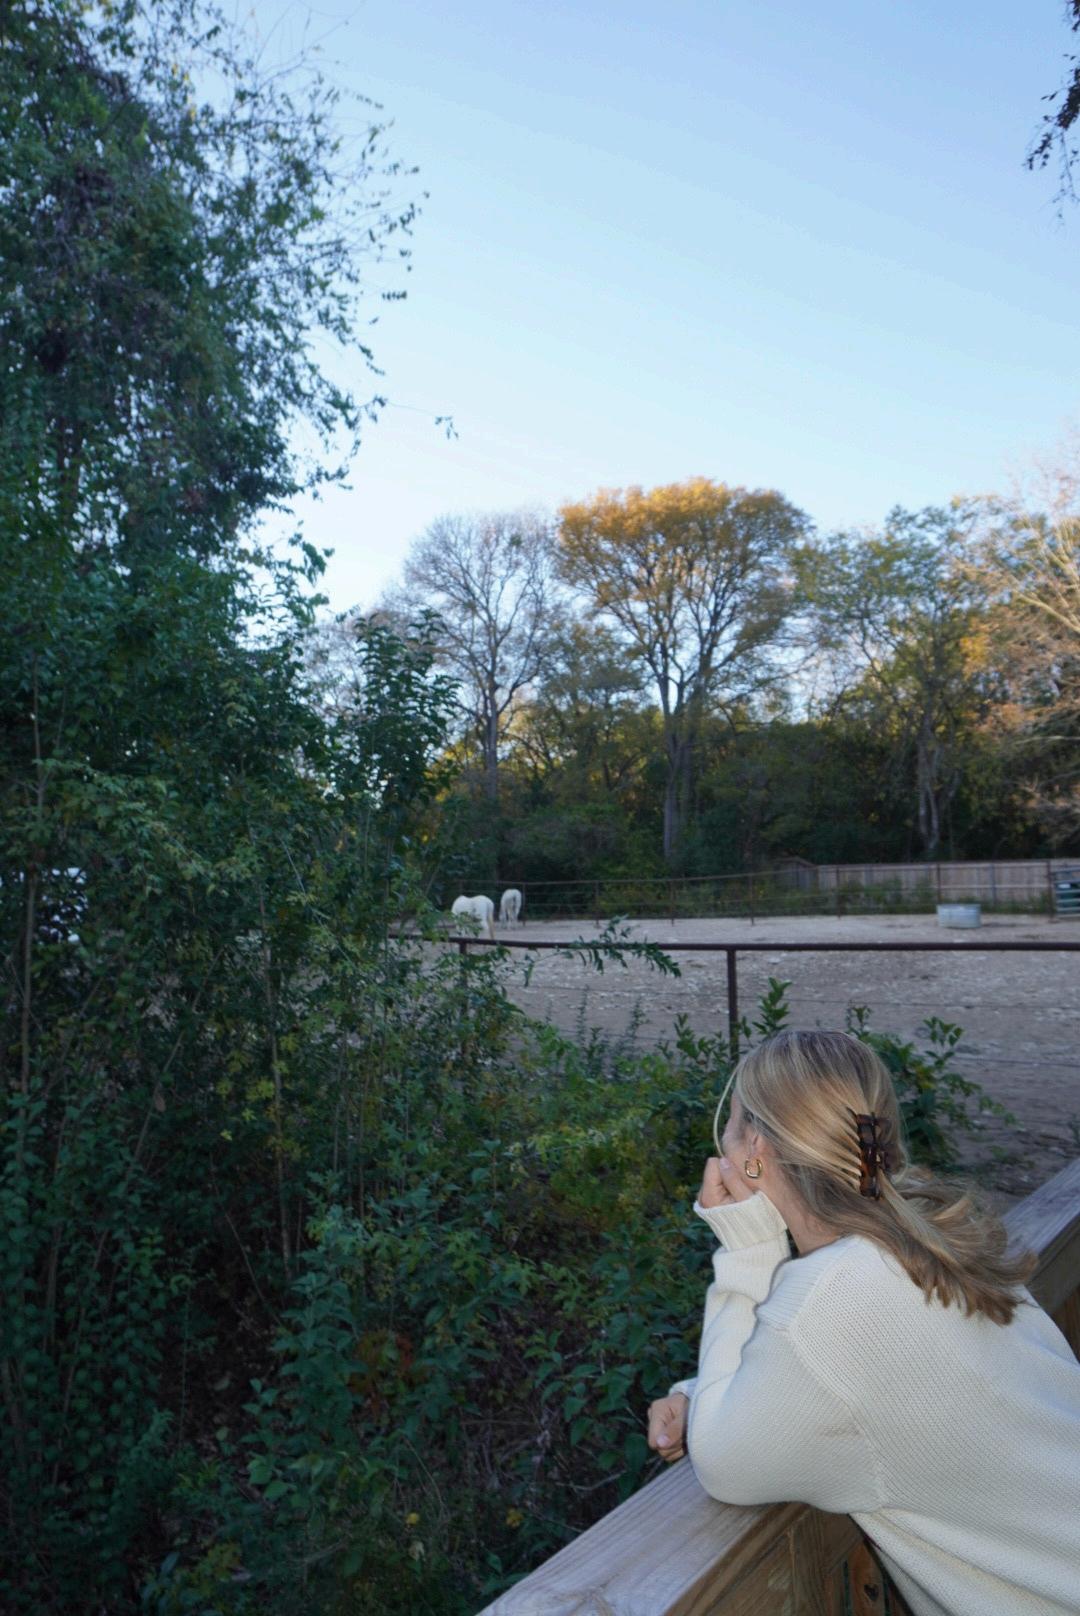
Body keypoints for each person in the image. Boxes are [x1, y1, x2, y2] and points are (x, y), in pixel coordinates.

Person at [646, 1029, 1080, 1616]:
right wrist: (705, 1394)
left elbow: (724, 1463)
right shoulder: (930, 1242)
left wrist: (747, 1250)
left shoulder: (830, 1302)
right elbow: (882, 1381)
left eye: (731, 1122)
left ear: (755, 1151)